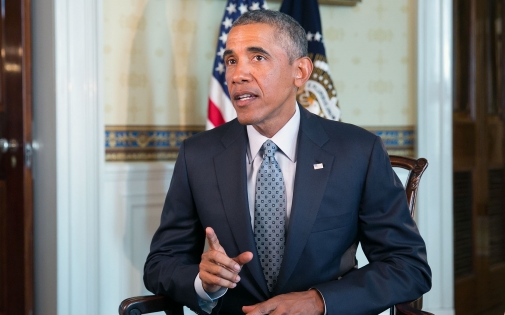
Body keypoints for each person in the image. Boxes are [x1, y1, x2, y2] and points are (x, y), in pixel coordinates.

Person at [144, 10, 431, 315]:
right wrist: (203, 282)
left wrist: (320, 301)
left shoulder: (358, 151)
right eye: (231, 61)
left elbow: (407, 266)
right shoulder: (197, 155)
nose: (237, 74)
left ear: (301, 72)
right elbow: (161, 264)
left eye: (257, 58)